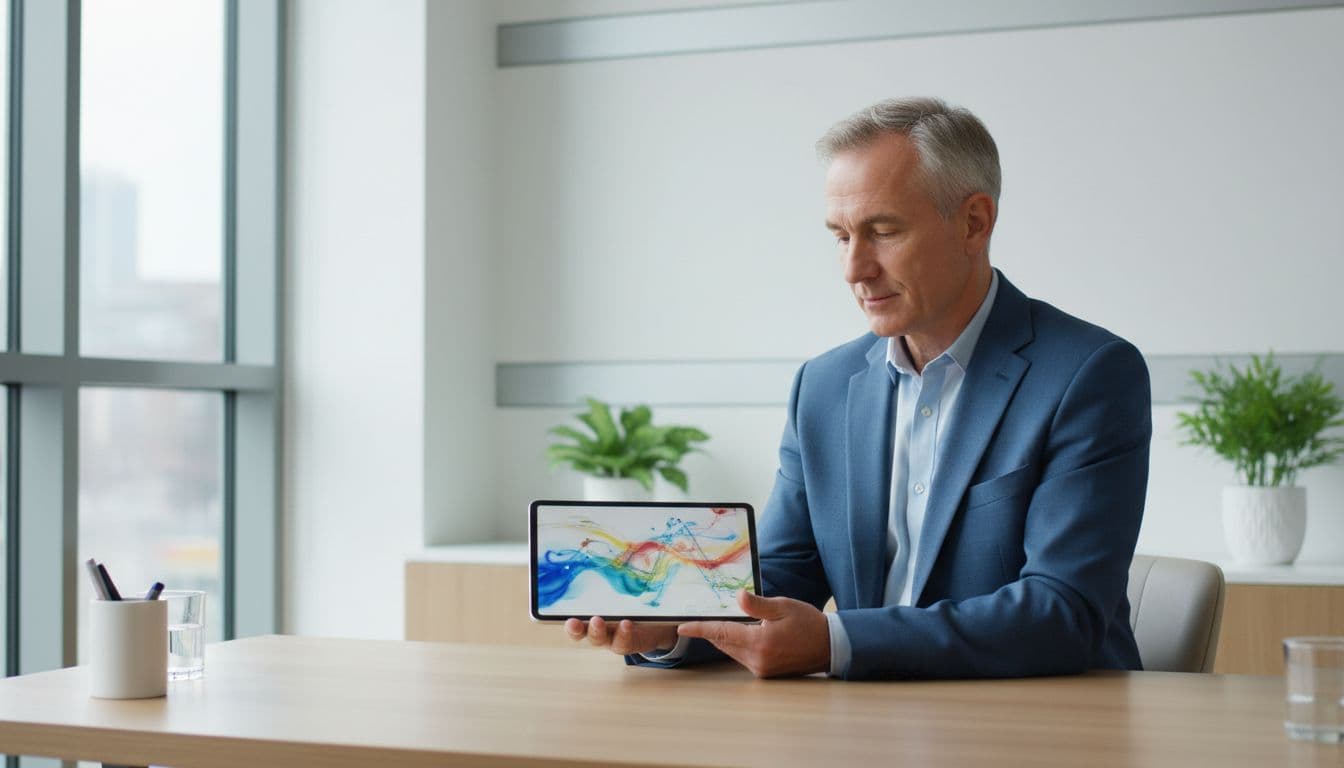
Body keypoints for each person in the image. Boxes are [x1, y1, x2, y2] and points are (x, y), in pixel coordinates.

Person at [565, 97, 1151, 680]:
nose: (854, 269)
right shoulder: (823, 387)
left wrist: (835, 643)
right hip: (866, 724)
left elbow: (1062, 612)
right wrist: (675, 624)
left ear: (975, 222)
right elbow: (781, 578)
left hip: (1043, 726)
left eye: (883, 231)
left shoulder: (1089, 374)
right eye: (841, 236)